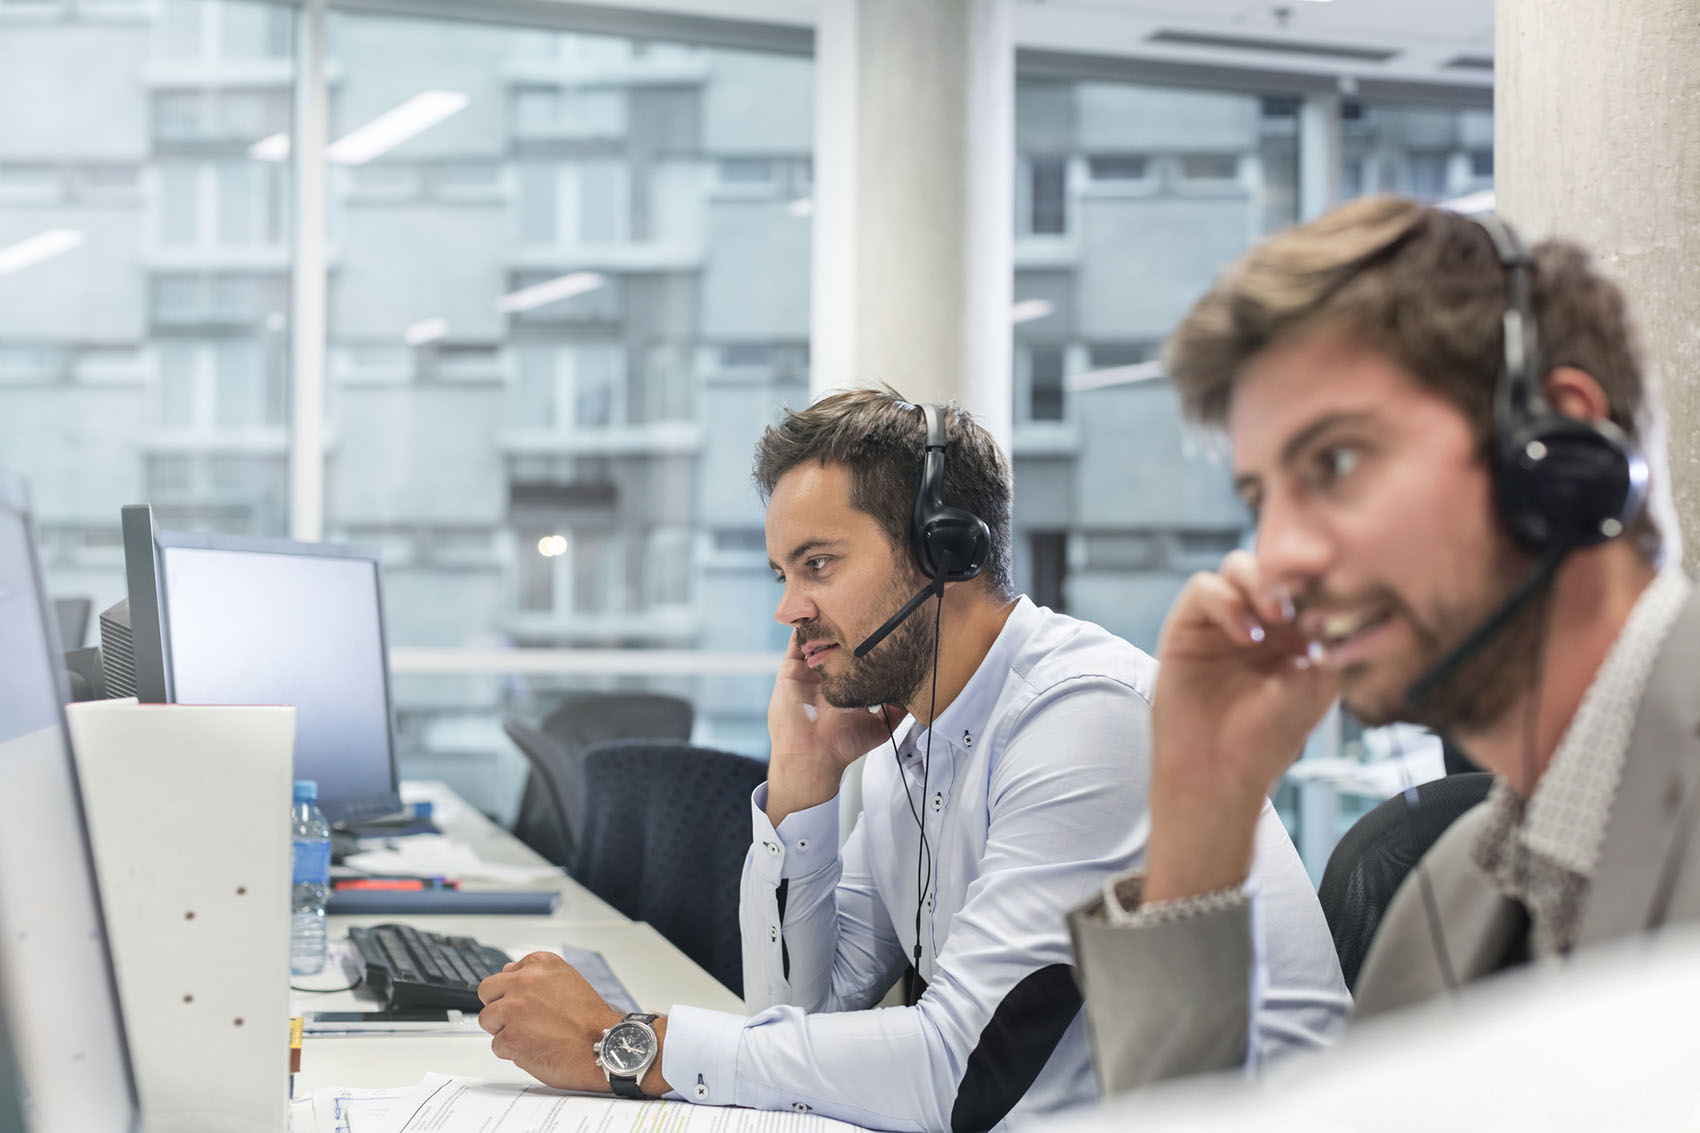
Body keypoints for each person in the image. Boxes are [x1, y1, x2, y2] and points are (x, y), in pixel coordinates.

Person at [477, 389, 1346, 1130]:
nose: (788, 608)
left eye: (817, 564)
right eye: (781, 571)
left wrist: (623, 1045)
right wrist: (805, 782)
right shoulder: (911, 748)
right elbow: (798, 1017)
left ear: (948, 552)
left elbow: (953, 1069)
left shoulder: (1087, 717)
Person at [1068, 194, 1698, 1092]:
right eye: (1260, 499)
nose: (1276, 555)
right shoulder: (1440, 904)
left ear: (1555, 444)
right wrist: (1200, 821)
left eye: (1335, 462)